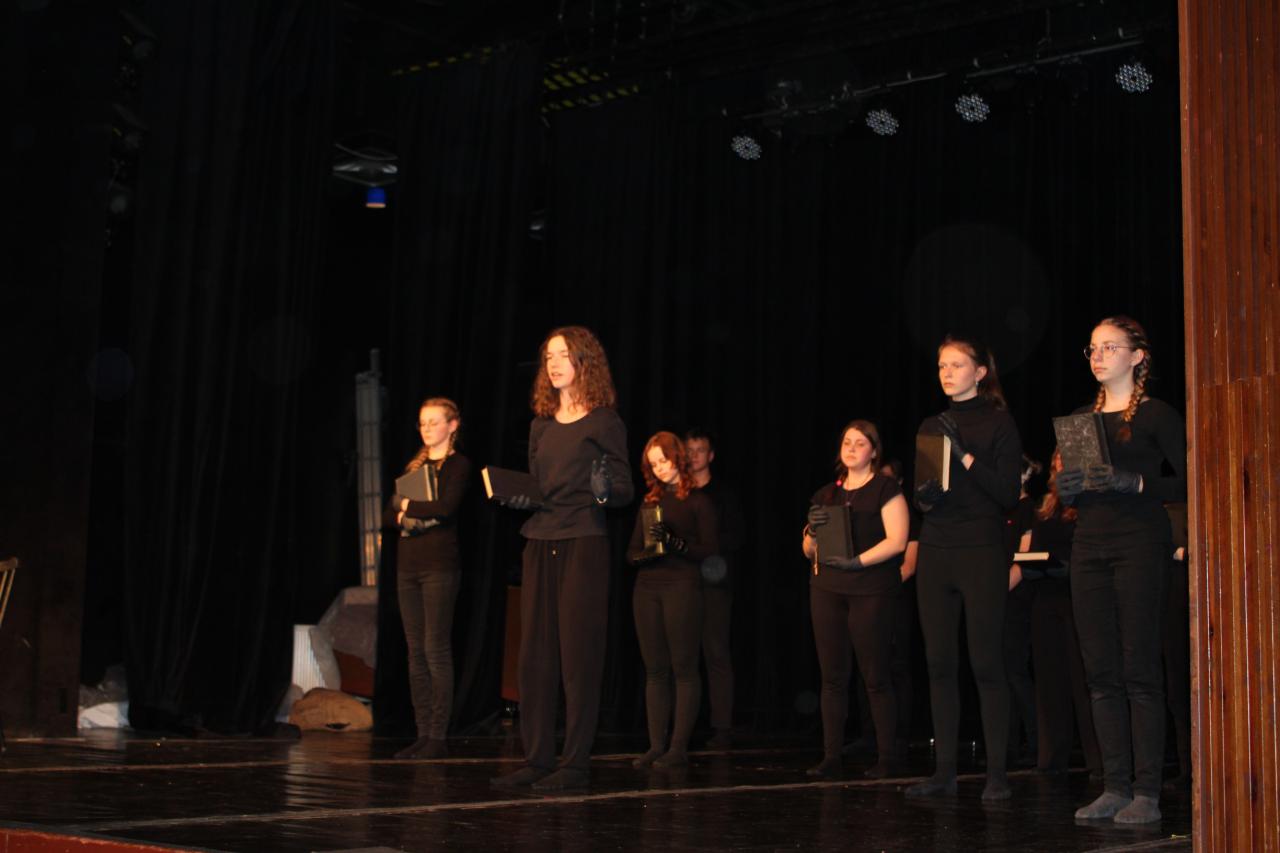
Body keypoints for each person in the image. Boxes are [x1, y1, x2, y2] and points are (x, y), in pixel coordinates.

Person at [491, 326, 634, 792]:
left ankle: (574, 764)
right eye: (548, 356)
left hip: (583, 542)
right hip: (540, 540)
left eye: (563, 355)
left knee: (578, 657)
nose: (553, 364)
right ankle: (536, 759)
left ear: (584, 361)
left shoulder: (604, 422)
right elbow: (538, 486)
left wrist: (603, 490)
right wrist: (520, 499)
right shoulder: (541, 425)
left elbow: (623, 490)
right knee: (534, 657)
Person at [1059, 316, 1186, 823]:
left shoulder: (1156, 415)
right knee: (1100, 671)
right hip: (1089, 547)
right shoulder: (1080, 420)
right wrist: (1067, 489)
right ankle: (1114, 785)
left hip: (1139, 544)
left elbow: (1188, 480)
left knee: (1139, 669)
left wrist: (1136, 483)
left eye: (1109, 347)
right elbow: (1074, 492)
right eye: (1092, 348)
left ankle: (1147, 792)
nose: (1098, 355)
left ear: (1137, 356)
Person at [906, 335, 1023, 801]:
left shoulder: (999, 423)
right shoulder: (931, 425)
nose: (947, 373)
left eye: (956, 365)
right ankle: (944, 773)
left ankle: (997, 775)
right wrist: (924, 497)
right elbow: (924, 495)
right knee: (938, 663)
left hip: (981, 550)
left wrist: (966, 456)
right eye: (941, 366)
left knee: (986, 662)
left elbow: (1008, 494)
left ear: (980, 372)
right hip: (937, 549)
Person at [802, 420, 909, 779]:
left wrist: (858, 562)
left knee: (875, 676)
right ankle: (831, 757)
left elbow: (897, 541)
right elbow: (808, 550)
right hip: (827, 589)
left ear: (874, 451)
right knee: (832, 677)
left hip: (871, 589)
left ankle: (887, 757)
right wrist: (812, 531)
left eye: (860, 443)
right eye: (847, 442)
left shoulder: (885, 488)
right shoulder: (826, 495)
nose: (851, 449)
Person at [384, 397, 470, 760]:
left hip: (439, 566)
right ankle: (422, 734)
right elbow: (387, 515)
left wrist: (405, 507)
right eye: (422, 423)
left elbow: (445, 508)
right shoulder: (414, 467)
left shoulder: (458, 465)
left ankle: (438, 736)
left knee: (435, 649)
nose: (427, 428)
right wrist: (405, 513)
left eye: (434, 422)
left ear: (453, 425)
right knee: (415, 652)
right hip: (408, 566)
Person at [628, 432, 719, 769]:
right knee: (655, 670)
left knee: (683, 667)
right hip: (647, 589)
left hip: (683, 587)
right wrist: (650, 554)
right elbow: (631, 553)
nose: (660, 468)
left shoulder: (698, 501)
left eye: (664, 461)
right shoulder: (649, 501)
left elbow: (710, 551)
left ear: (677, 458)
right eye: (654, 464)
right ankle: (656, 745)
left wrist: (677, 544)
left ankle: (678, 747)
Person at [1023, 450, 1102, 778]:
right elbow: (1033, 551)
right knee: (1049, 679)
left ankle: (1098, 759)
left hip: (1076, 597)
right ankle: (1052, 756)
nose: (1059, 463)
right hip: (1045, 597)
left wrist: (1066, 566)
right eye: (1056, 459)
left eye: (1064, 458)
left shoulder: (1086, 504)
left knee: (1083, 680)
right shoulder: (1046, 506)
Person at [685, 428, 744, 749]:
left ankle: (722, 726)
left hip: (714, 583)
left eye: (699, 450)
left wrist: (701, 547)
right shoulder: (677, 491)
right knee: (682, 656)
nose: (693, 455)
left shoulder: (723, 495)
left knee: (716, 652)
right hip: (680, 583)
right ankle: (683, 726)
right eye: (689, 449)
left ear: (710, 455)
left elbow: (736, 537)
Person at [1003, 454, 1043, 767]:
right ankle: (1008, 744)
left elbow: (1023, 559)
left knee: (1016, 671)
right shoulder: (997, 510)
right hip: (995, 600)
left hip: (1016, 599)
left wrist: (996, 590)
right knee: (1001, 673)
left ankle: (1035, 741)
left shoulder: (1029, 509)